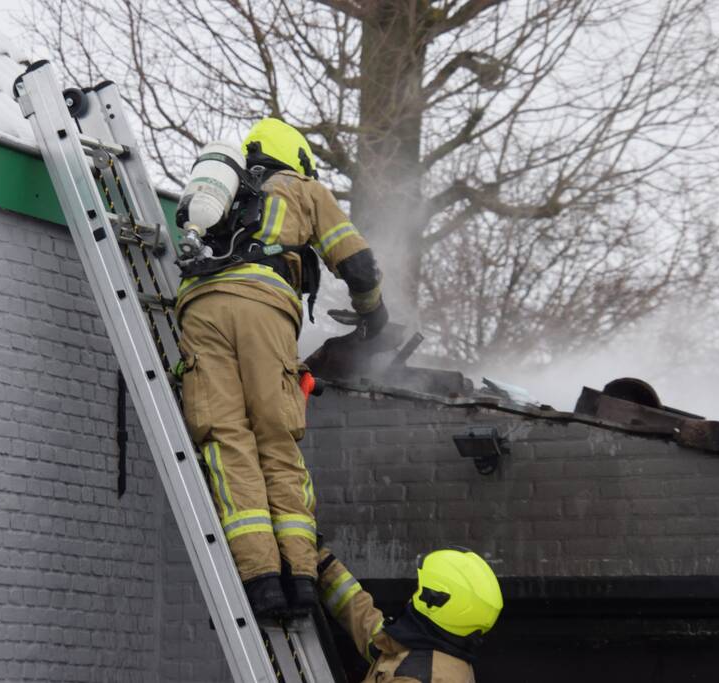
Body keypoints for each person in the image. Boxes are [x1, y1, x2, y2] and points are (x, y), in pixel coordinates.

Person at [175, 117, 387, 617]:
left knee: (226, 439)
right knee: (275, 437)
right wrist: (373, 312)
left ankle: (261, 580)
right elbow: (357, 264)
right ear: (297, 157)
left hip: (199, 308)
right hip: (262, 307)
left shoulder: (223, 194)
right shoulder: (302, 187)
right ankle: (300, 578)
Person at [317, 544, 502, 682]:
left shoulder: (413, 675)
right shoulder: (436, 650)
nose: (412, 596)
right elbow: (369, 626)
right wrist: (325, 565)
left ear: (435, 602)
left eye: (420, 588)